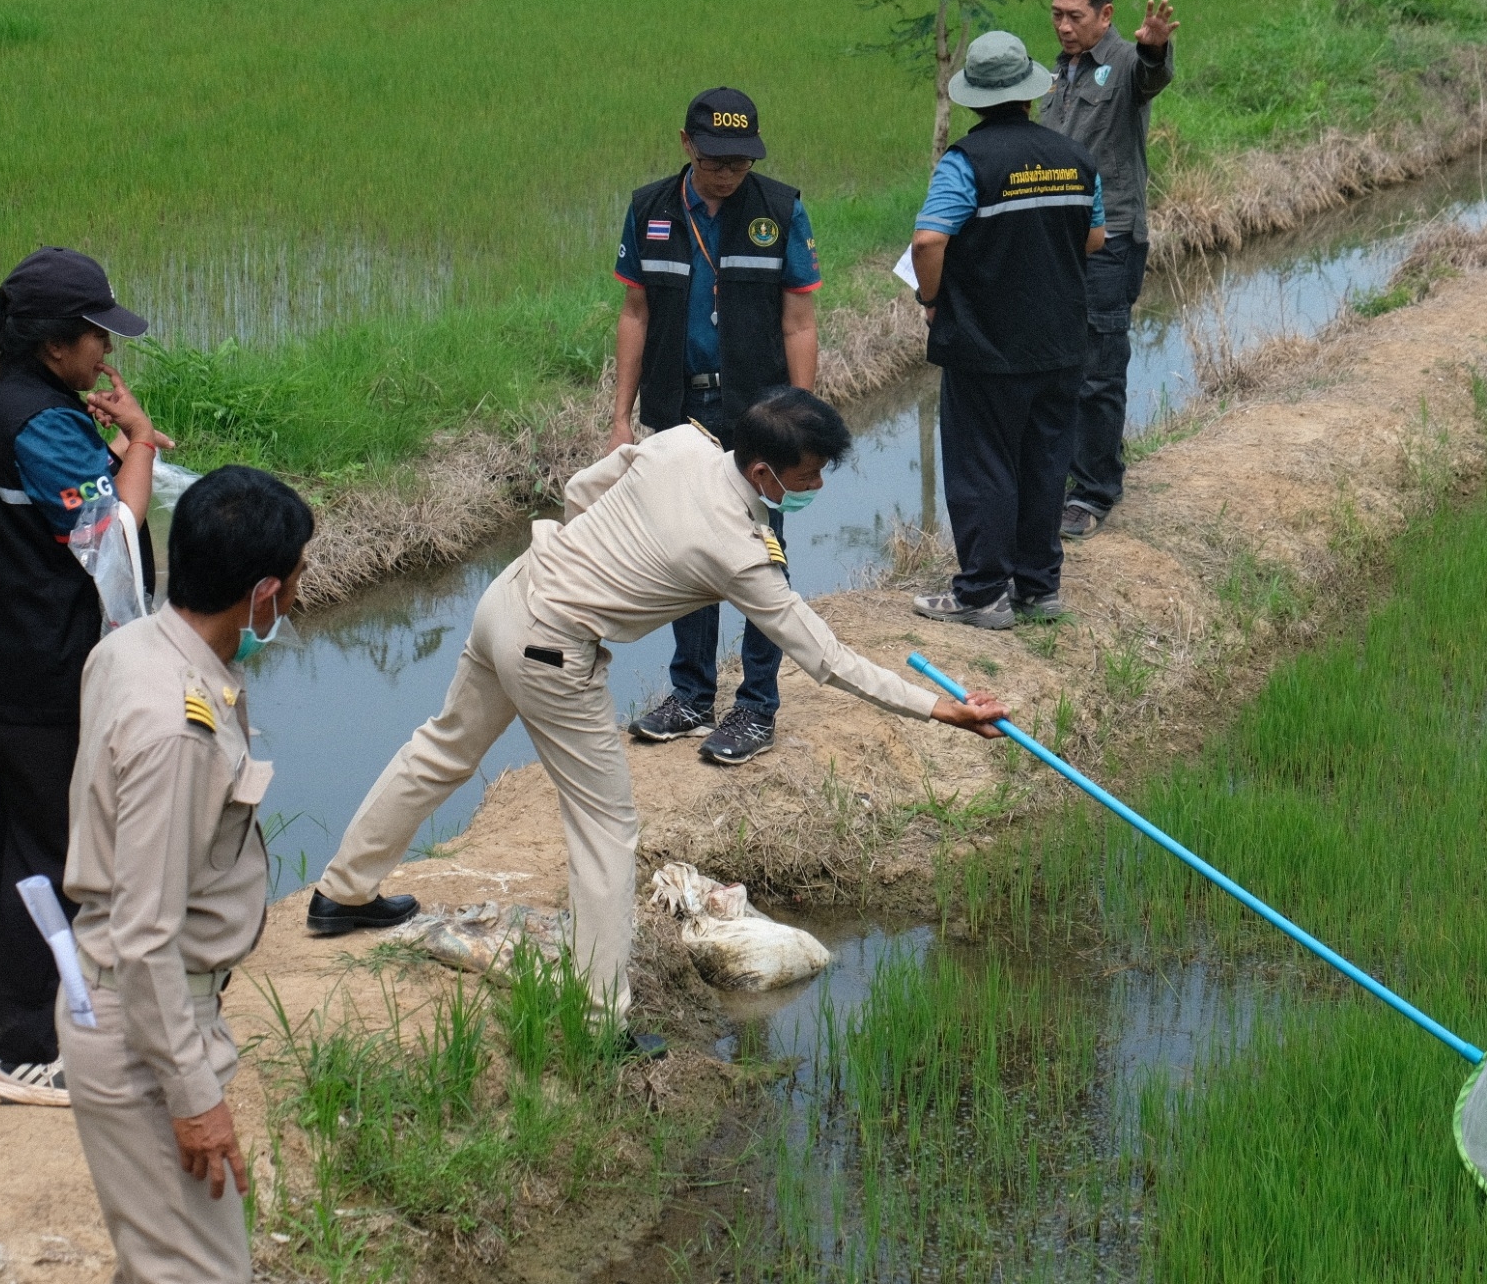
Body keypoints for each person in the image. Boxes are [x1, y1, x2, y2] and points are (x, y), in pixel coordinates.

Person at [307, 389, 1007, 1027]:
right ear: (764, 473)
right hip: (553, 647)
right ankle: (600, 1020)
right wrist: (939, 709)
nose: (818, 484)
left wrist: (599, 556)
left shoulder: (682, 441)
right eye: (810, 473)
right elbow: (825, 657)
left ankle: (343, 890)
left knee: (444, 746)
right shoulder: (739, 551)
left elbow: (585, 487)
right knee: (608, 826)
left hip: (511, 593)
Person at [0, 245, 168, 1106]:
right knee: (55, 849)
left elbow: (42, 506)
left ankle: (22, 1026)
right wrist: (134, 444)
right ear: (54, 343)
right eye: (97, 336)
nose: (108, 351)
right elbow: (116, 543)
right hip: (31, 671)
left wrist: (103, 451)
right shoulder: (43, 423)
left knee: (16, 841)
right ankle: (22, 1050)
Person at [59, 465, 313, 1284]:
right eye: (296, 579)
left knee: (165, 1262)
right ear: (263, 591)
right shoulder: (177, 728)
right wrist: (193, 1097)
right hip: (143, 1030)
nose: (299, 597)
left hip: (129, 1007)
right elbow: (145, 933)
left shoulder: (130, 646)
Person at [610, 87, 824, 766]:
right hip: (678, 414)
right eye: (714, 160)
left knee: (761, 554)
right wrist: (620, 416)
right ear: (686, 145)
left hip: (759, 416)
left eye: (739, 160)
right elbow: (635, 313)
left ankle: (757, 705)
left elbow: (800, 322)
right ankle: (692, 695)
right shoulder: (649, 209)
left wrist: (802, 422)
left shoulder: (781, 210)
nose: (727, 172)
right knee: (683, 552)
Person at [909, 31, 1106, 631]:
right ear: (1029, 92)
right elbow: (1095, 238)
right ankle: (1039, 587)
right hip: (1062, 342)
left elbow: (927, 241)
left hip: (986, 345)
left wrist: (931, 296)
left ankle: (982, 593)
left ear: (972, 100)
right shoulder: (1076, 158)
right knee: (1046, 461)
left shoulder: (967, 163)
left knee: (983, 463)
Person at [1044, 0, 1178, 542]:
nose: (1064, 27)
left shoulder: (1124, 63)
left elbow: (1151, 76)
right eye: (1056, 14)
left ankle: (1096, 490)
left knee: (1098, 369)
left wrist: (1153, 50)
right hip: (1056, 241)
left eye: (1076, 16)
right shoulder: (1057, 72)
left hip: (1111, 241)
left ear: (1105, 14)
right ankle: (1066, 475)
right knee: (1058, 365)